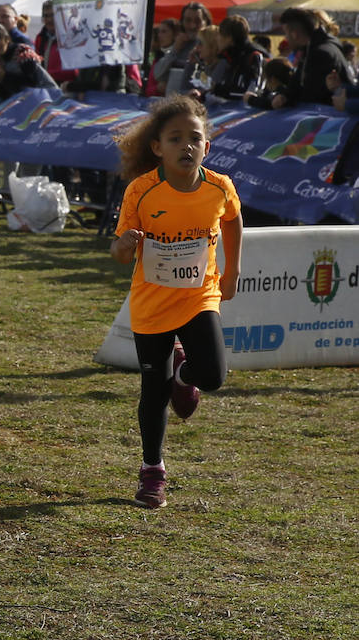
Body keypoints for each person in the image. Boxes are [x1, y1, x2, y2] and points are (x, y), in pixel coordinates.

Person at [110, 95, 242, 509]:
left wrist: (233, 269)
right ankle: (153, 472)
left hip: (199, 295)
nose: (186, 146)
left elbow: (234, 220)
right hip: (152, 302)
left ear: (208, 146)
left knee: (215, 376)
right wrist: (126, 244)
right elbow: (118, 251)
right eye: (175, 138)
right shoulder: (142, 191)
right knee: (153, 389)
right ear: (157, 148)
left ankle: (185, 376)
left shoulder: (219, 186)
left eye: (195, 138)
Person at [272, 7, 354, 109]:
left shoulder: (319, 53)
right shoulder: (317, 48)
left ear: (294, 34)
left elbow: (309, 96)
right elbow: (295, 89)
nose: (285, 38)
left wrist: (281, 97)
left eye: (285, 33)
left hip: (328, 119)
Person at [0, 24, 56, 99]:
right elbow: (6, 92)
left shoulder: (22, 52)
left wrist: (4, 76)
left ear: (7, 39)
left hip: (48, 95)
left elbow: (32, 83)